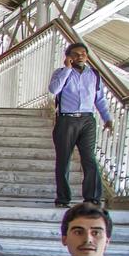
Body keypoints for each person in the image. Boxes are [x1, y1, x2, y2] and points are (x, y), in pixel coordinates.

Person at [48, 42, 112, 206]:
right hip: (66, 120)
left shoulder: (94, 75)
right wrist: (67, 69)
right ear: (68, 57)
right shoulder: (62, 73)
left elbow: (100, 99)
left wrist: (107, 119)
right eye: (76, 54)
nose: (81, 56)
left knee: (89, 159)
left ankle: (92, 197)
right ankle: (63, 198)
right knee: (64, 160)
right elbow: (54, 90)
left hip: (87, 120)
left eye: (83, 53)